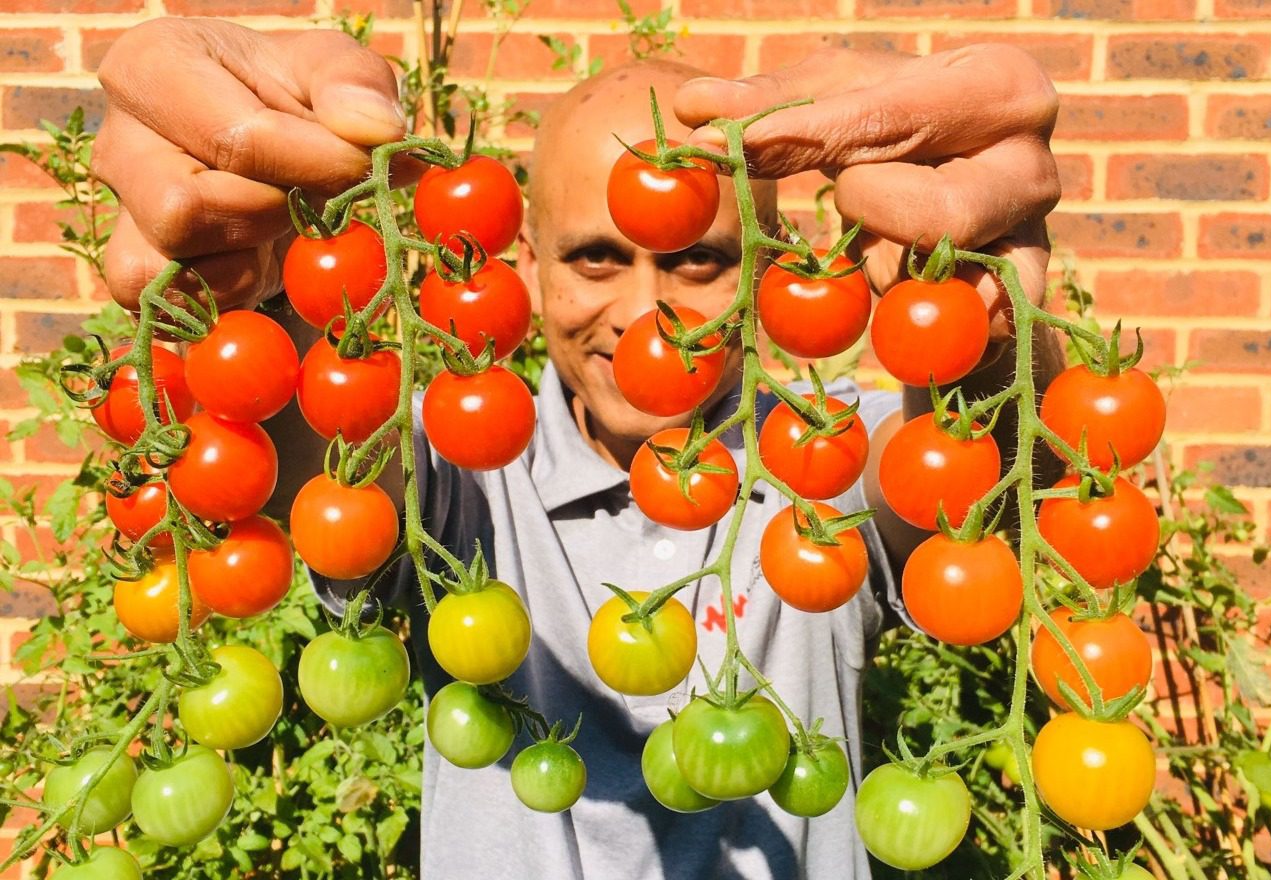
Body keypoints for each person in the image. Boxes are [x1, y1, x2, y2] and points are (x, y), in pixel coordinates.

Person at [91, 17, 1064, 879]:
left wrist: (983, 334)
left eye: (697, 259)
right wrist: (258, 261)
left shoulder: (828, 449)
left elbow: (988, 470)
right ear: (523, 264)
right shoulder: (452, 464)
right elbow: (326, 450)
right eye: (596, 256)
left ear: (775, 267)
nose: (644, 314)